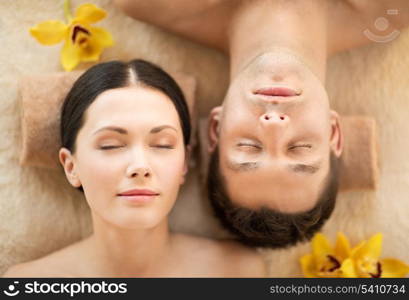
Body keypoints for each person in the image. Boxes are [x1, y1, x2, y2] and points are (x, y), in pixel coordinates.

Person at [114, 0, 409, 248]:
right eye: (300, 147)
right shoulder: (390, 11)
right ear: (333, 132)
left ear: (216, 127)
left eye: (249, 146)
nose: (274, 124)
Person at [3, 59, 265, 277]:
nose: (140, 167)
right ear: (71, 167)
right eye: (110, 145)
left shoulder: (237, 273)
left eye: (162, 144)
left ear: (184, 163)